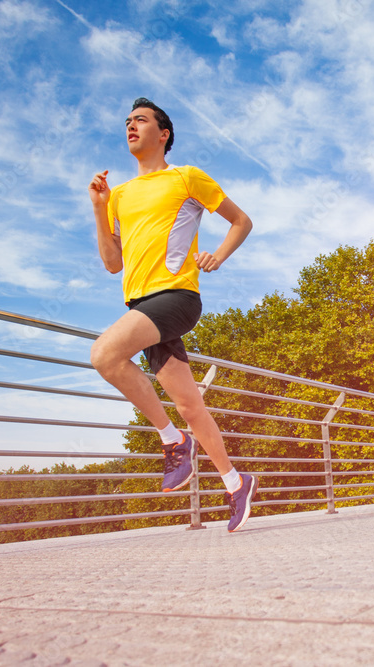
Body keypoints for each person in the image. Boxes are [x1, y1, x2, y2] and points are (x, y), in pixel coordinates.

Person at [88, 97, 258, 533]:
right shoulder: (119, 194)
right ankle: (236, 482)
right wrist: (99, 207)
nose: (130, 126)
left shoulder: (186, 177)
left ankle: (172, 440)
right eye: (126, 121)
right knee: (190, 405)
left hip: (177, 297)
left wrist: (218, 256)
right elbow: (112, 263)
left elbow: (240, 221)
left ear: (162, 134)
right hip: (140, 305)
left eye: (140, 120)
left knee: (105, 355)